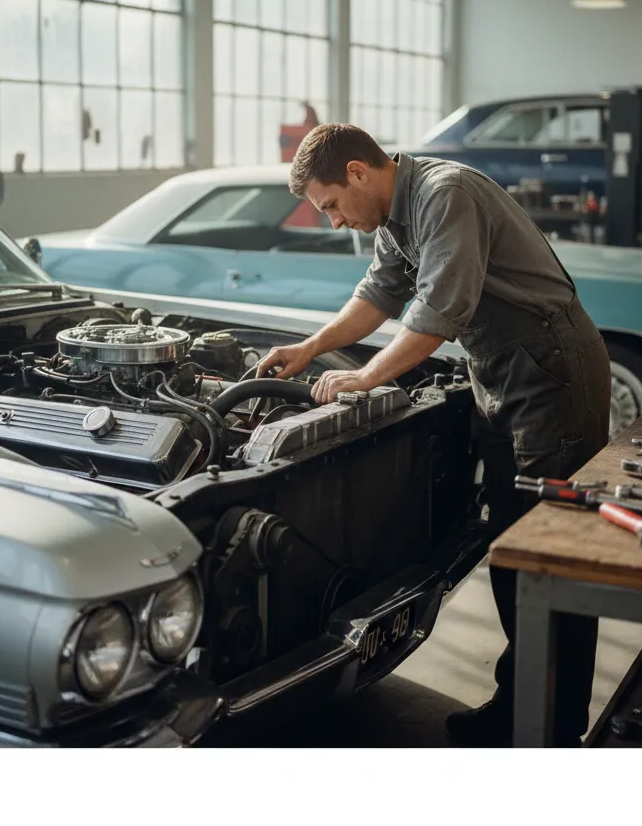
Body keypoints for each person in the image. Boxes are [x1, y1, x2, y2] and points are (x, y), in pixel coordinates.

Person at [256, 123, 612, 746]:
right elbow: (381, 292)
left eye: (332, 205)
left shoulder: (444, 194)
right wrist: (312, 348)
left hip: (551, 375)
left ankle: (551, 735)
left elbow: (440, 312)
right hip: (501, 373)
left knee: (546, 561)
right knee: (509, 550)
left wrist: (363, 379)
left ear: (360, 173)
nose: (335, 221)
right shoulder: (396, 214)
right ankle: (520, 706)